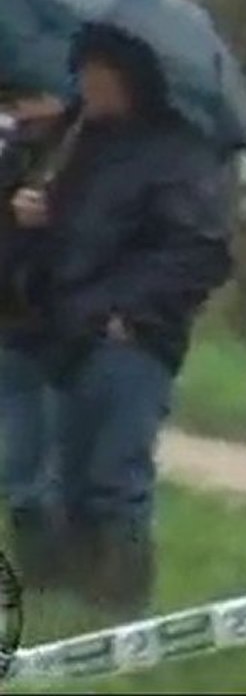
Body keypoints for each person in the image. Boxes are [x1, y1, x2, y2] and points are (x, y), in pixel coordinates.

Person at [8, 23, 232, 620]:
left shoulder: (179, 154)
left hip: (129, 338)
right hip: (62, 332)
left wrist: (128, 313)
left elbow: (199, 252)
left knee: (116, 478)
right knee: (65, 480)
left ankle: (121, 611)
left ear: (132, 77)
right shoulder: (72, 142)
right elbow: (64, 242)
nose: (88, 84)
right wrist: (32, 215)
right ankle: (69, 609)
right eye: (82, 71)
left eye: (100, 72)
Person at [0, 89, 71, 590]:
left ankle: (51, 576)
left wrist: (52, 218)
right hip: (12, 322)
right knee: (20, 466)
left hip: (53, 325)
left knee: (40, 468)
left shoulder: (84, 152)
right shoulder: (15, 152)